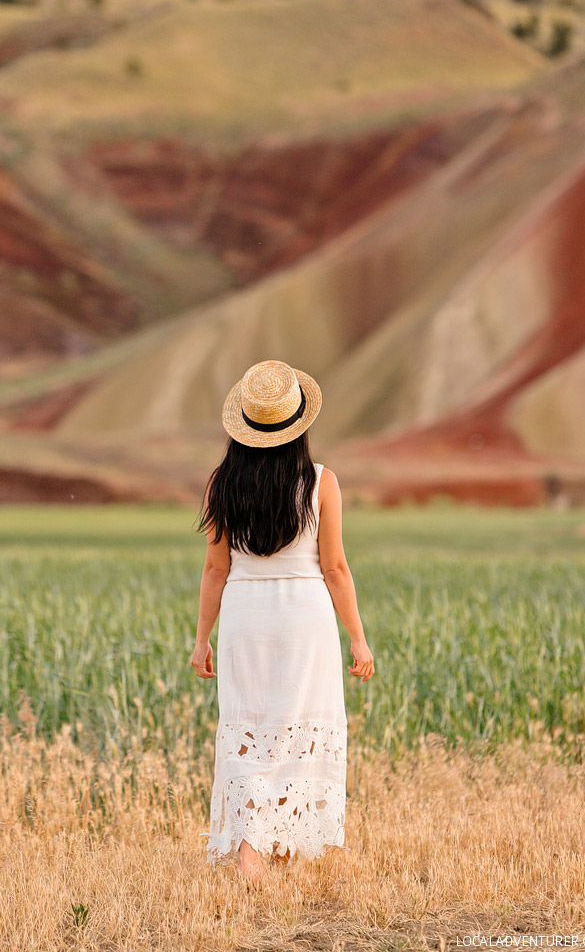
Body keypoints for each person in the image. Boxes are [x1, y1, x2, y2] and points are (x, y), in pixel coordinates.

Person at [189, 359, 374, 882]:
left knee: (249, 727)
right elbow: (335, 568)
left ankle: (258, 848)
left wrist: (201, 641)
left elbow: (215, 568)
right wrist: (359, 640)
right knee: (298, 730)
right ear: (299, 423)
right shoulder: (320, 482)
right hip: (305, 620)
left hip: (245, 618)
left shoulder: (221, 484)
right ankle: (263, 850)